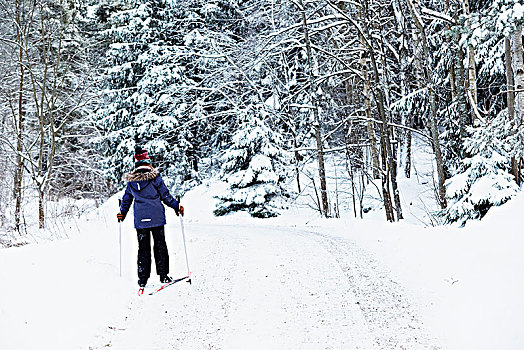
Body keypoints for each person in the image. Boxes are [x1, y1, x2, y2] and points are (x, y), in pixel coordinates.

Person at [117, 146, 184, 288]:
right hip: (157, 218)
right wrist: (177, 207)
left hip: (141, 221)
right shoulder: (155, 178)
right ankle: (163, 276)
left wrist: (122, 213)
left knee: (143, 248)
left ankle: (142, 279)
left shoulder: (131, 182)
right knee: (160, 245)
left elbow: (127, 199)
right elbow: (165, 196)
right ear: (147, 162)